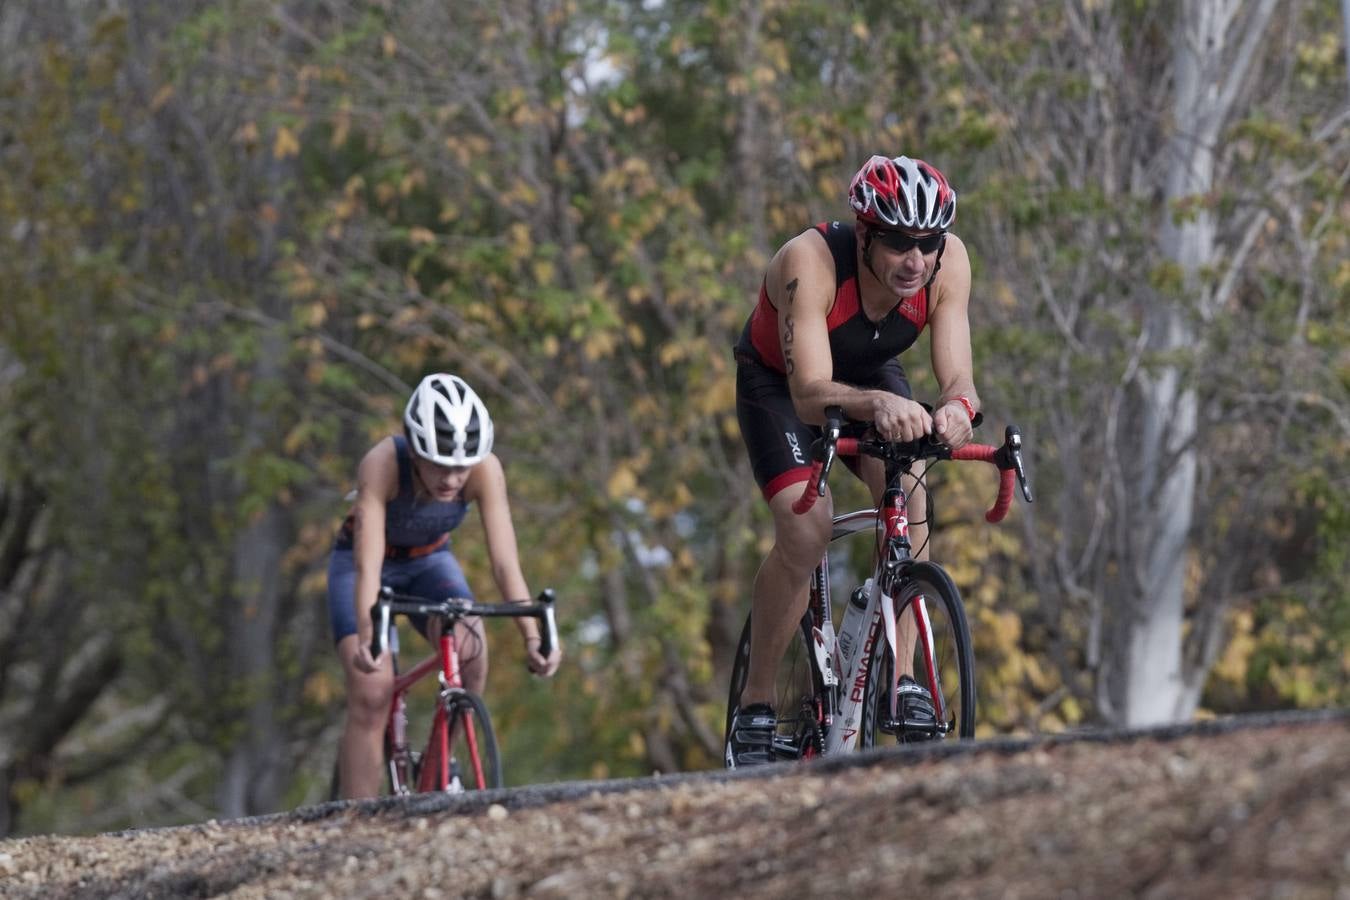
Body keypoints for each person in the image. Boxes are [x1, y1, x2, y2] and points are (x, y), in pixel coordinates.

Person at [726, 155, 980, 767]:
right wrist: (879, 403)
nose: (915, 260)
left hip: (870, 376)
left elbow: (960, 379)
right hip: (782, 386)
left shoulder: (950, 265)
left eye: (927, 243)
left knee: (911, 492)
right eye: (898, 243)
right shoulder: (808, 262)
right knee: (807, 527)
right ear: (864, 234)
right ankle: (756, 706)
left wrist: (956, 411)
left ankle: (908, 676)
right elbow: (810, 393)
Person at [328, 373, 562, 798]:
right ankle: (353, 826)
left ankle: (438, 771)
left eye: (462, 465)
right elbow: (368, 564)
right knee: (372, 689)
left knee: (473, 651)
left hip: (430, 561)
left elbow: (505, 563)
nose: (452, 478)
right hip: (364, 564)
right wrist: (369, 635)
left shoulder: (485, 470)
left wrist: (533, 636)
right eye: (439, 463)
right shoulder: (381, 464)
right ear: (415, 450)